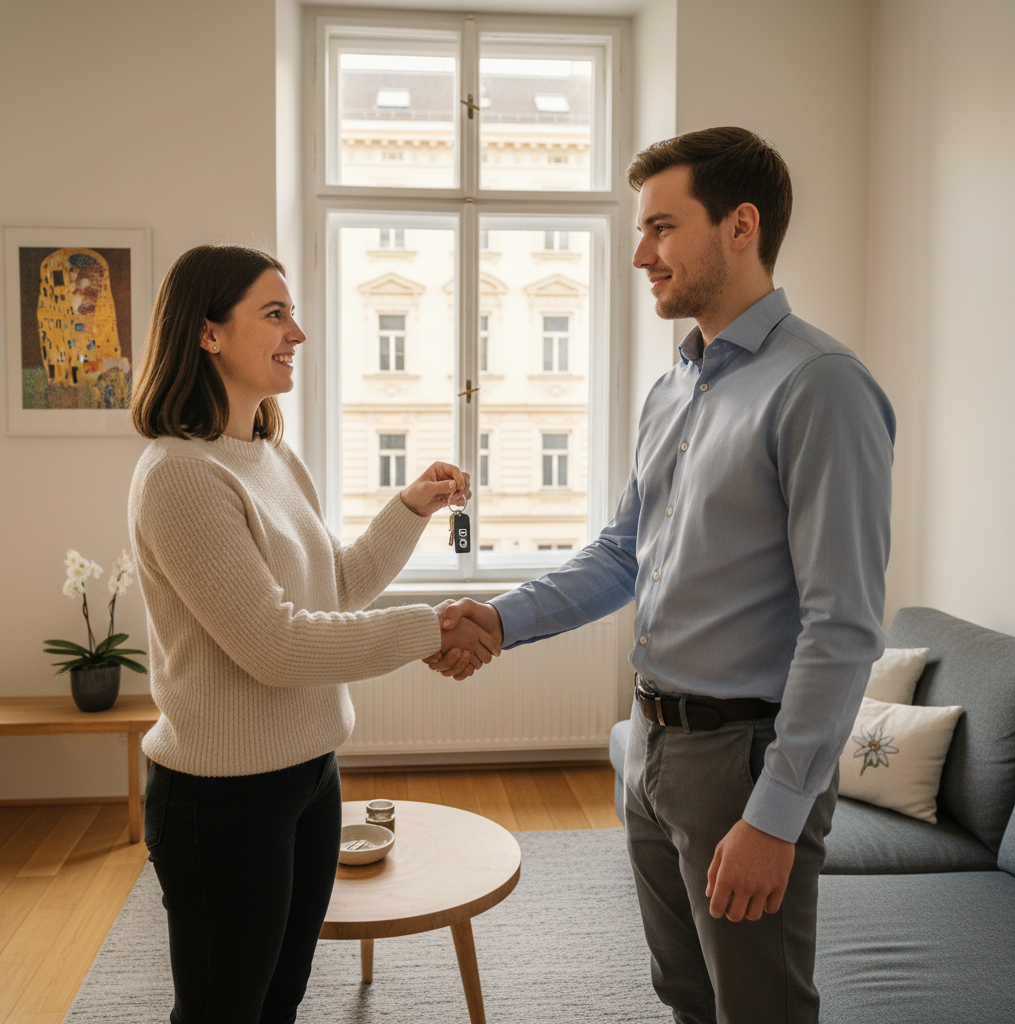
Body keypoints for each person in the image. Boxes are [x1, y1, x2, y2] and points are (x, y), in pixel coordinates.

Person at [428, 127, 896, 1023]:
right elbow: (622, 554)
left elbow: (842, 626)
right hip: (651, 745)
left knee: (758, 1006)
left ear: (740, 227)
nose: (640, 254)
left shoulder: (821, 386)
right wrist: (498, 619)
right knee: (682, 991)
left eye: (661, 227)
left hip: (744, 759)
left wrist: (775, 813)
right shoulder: (673, 387)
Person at [128, 243, 498, 1024]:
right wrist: (428, 628)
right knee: (224, 1011)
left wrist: (410, 510)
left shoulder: (268, 453)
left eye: (292, 313)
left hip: (308, 776)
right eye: (274, 313)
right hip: (221, 800)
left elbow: (335, 586)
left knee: (281, 1001)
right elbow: (277, 645)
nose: (297, 332)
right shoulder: (179, 474)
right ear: (207, 334)